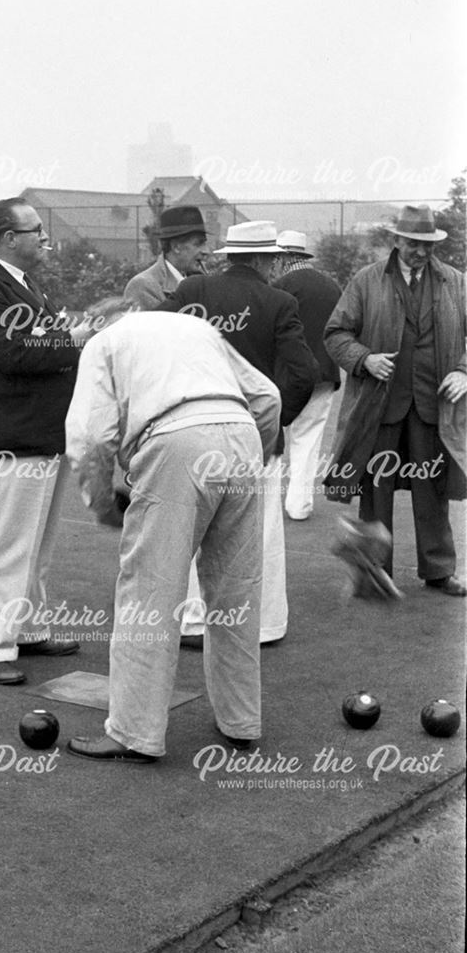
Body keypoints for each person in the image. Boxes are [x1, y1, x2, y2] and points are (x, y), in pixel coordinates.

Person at [64, 310, 281, 762]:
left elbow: (90, 437)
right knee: (235, 590)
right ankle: (241, 722)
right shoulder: (199, 328)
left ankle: (133, 733)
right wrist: (249, 456)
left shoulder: (102, 343)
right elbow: (267, 397)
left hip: (175, 443)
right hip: (242, 436)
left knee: (149, 593)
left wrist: (106, 507)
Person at [152, 221, 317, 644]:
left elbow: (152, 342)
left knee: (189, 526)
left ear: (231, 256)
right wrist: (272, 425)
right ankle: (259, 625)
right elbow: (302, 374)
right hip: (252, 434)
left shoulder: (192, 291)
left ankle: (190, 621)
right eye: (274, 258)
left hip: (191, 430)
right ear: (264, 259)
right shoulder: (279, 302)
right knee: (256, 535)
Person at [0, 197, 82, 685]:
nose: (45, 239)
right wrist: (74, 339)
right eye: (36, 232)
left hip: (41, 435)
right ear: (8, 238)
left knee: (35, 547)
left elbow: (39, 342)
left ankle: (27, 629)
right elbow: (13, 353)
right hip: (5, 439)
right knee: (1, 547)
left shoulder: (22, 285)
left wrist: (63, 336)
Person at [323, 204, 467, 596]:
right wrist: (365, 359)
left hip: (432, 407)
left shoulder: (455, 282)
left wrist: (462, 371)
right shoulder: (367, 281)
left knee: (433, 487)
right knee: (376, 488)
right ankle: (372, 571)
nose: (419, 250)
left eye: (426, 244)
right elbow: (336, 334)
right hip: (379, 406)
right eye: (411, 242)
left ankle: (439, 570)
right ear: (396, 240)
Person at [122, 204, 210, 645]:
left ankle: (187, 616)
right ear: (173, 247)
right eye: (197, 243)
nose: (204, 250)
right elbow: (146, 354)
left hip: (200, 413)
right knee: (163, 524)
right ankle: (163, 618)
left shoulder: (206, 283)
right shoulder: (144, 287)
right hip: (159, 416)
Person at [273, 230, 342, 520]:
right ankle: (299, 505)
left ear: (285, 256)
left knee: (272, 439)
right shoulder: (332, 287)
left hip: (285, 374)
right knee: (309, 438)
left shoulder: (278, 286)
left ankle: (266, 504)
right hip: (325, 373)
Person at [123, 204, 208, 310]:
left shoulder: (202, 282)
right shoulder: (143, 287)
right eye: (198, 244)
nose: (206, 251)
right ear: (176, 247)